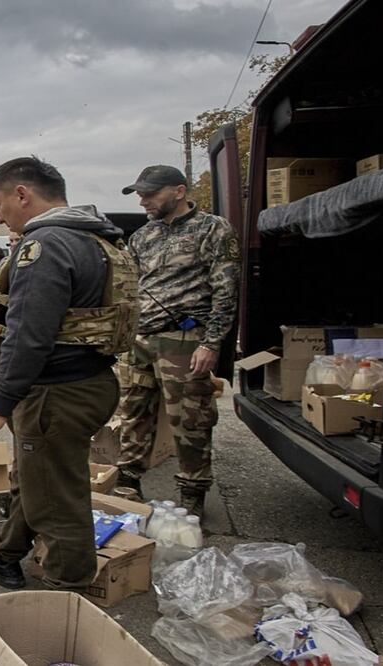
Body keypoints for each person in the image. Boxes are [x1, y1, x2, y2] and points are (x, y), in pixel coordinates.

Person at [0, 156, 136, 593]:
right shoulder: (96, 237)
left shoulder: (47, 244)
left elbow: (29, 334)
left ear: (23, 194)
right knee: (39, 477)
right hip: (89, 381)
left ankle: (67, 590)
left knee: (56, 499)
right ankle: (5, 555)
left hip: (57, 390)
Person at [113, 165, 239, 517]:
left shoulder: (213, 229)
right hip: (142, 339)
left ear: (179, 191)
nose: (143, 201)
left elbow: (225, 290)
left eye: (150, 194)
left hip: (185, 338)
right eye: (140, 194)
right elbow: (132, 289)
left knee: (190, 420)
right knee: (134, 412)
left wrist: (212, 343)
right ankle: (128, 482)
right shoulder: (143, 236)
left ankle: (192, 494)